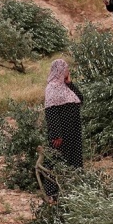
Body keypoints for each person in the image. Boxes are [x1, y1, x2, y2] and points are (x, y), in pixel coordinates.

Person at [41, 59, 83, 202]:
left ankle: (72, 190)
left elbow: (81, 98)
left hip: (73, 132)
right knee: (55, 160)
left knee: (74, 159)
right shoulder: (51, 88)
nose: (68, 71)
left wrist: (70, 83)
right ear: (59, 70)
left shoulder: (67, 88)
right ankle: (52, 193)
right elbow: (51, 114)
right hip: (61, 135)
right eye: (65, 69)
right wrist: (56, 135)